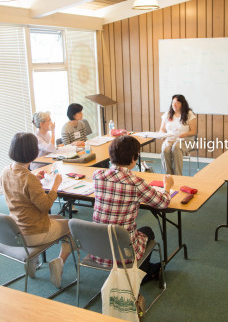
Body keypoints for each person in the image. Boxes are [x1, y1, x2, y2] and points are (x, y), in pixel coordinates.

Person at [91, 135, 174, 282]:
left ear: (110, 156)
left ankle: (147, 270)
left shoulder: (97, 175)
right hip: (123, 252)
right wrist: (167, 187)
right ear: (134, 158)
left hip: (98, 249)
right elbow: (162, 203)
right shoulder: (135, 182)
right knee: (147, 231)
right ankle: (142, 275)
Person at [0, 132, 73, 288]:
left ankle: (32, 262)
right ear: (32, 152)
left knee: (58, 219)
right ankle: (59, 263)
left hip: (15, 231)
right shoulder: (29, 179)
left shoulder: (6, 171)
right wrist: (55, 185)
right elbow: (45, 205)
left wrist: (35, 179)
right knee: (71, 226)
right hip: (33, 233)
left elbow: (20, 191)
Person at [160, 94, 197, 175]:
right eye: (173, 102)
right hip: (170, 139)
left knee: (176, 147)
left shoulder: (189, 114)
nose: (174, 105)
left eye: (177, 103)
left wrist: (184, 135)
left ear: (182, 104)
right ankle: (169, 175)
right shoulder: (168, 114)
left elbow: (194, 131)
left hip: (185, 140)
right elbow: (162, 129)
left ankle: (178, 176)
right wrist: (163, 135)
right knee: (165, 150)